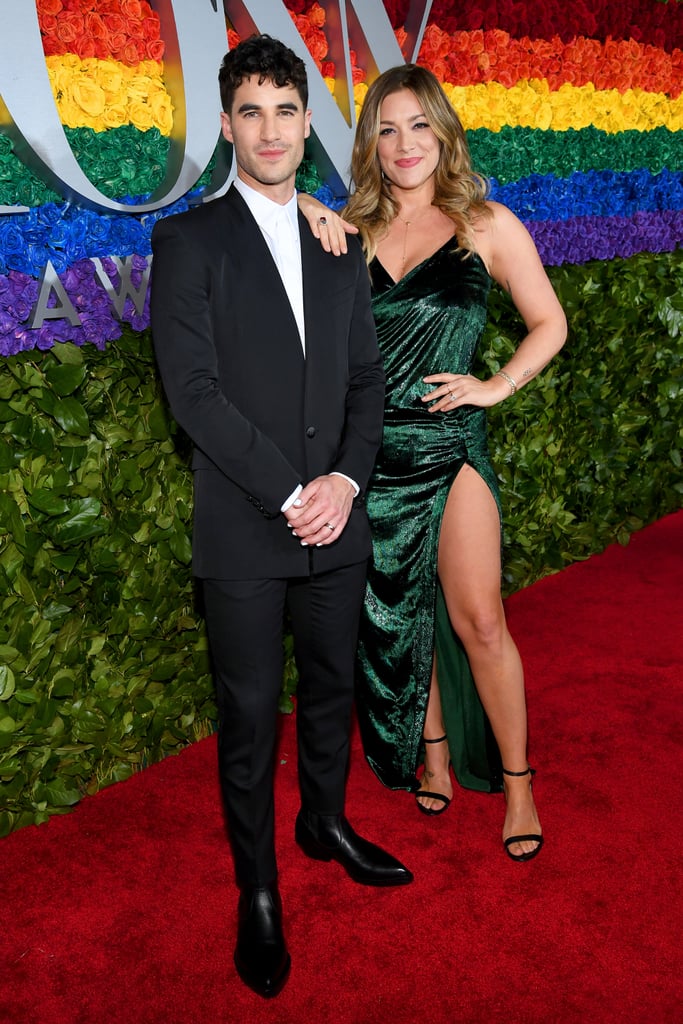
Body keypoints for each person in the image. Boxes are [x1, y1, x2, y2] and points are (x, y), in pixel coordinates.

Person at [150, 35, 413, 1001]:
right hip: (246, 526)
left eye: (286, 111)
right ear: (226, 127)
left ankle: (325, 821)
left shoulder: (338, 242)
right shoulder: (188, 242)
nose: (270, 131)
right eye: (251, 112)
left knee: (334, 686)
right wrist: (293, 493)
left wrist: (342, 481)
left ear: (307, 126)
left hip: (335, 517)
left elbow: (365, 383)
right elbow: (193, 394)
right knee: (252, 714)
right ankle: (256, 888)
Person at [300, 64, 567, 864]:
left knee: (479, 619)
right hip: (368, 457)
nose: (404, 143)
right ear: (369, 145)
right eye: (386, 129)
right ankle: (435, 757)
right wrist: (300, 207)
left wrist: (496, 384)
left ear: (443, 133)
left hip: (450, 449)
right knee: (398, 616)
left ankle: (517, 783)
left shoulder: (485, 223)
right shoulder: (347, 231)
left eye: (418, 124)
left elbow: (548, 323)